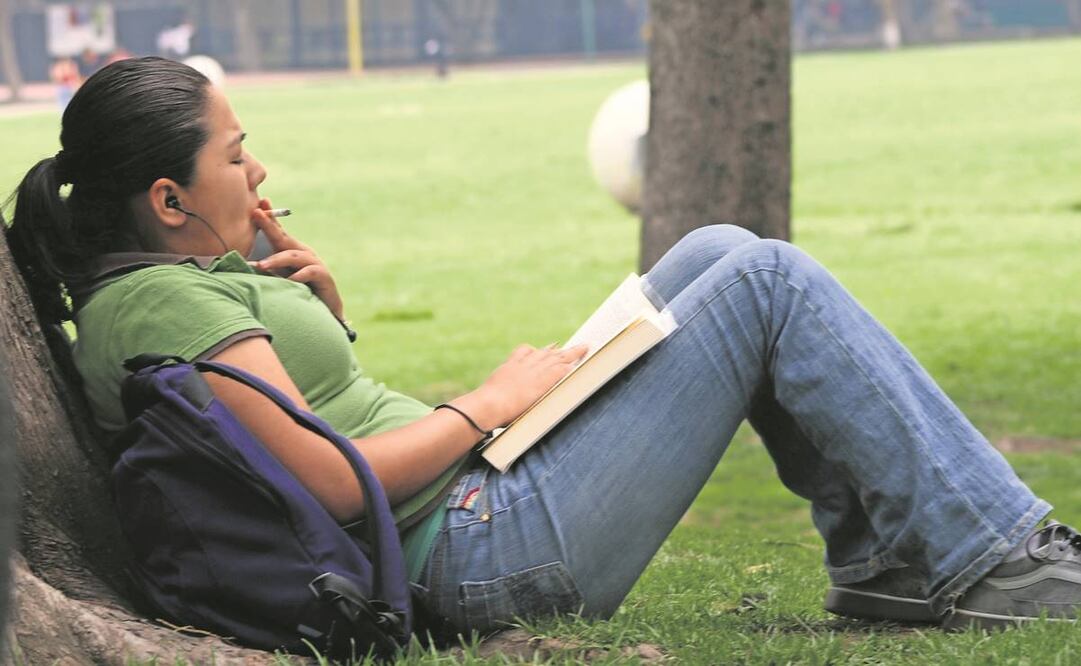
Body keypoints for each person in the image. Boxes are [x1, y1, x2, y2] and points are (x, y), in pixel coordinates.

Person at [4, 57, 1081, 639]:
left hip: (477, 504)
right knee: (767, 283)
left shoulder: (180, 283)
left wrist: (321, 316)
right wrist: (487, 403)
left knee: (719, 248)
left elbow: (289, 424)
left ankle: (888, 564)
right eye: (237, 157)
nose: (260, 174)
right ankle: (994, 559)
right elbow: (325, 483)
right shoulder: (160, 306)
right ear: (168, 199)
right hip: (477, 553)